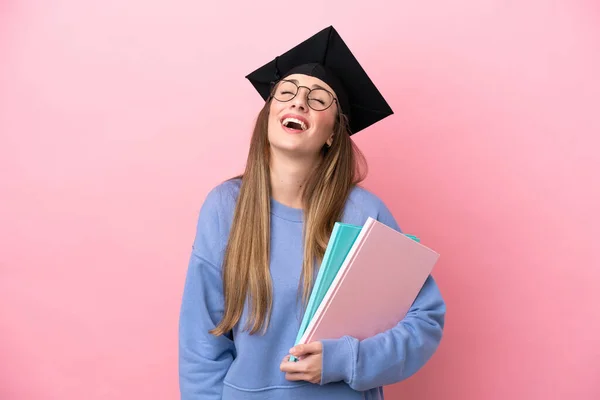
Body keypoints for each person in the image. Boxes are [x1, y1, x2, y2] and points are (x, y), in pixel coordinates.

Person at [178, 26, 446, 400]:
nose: (298, 102)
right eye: (285, 92)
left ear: (334, 132)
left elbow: (425, 320)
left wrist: (347, 360)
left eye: (319, 98)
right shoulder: (225, 207)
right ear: (269, 112)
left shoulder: (364, 212)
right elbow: (201, 342)